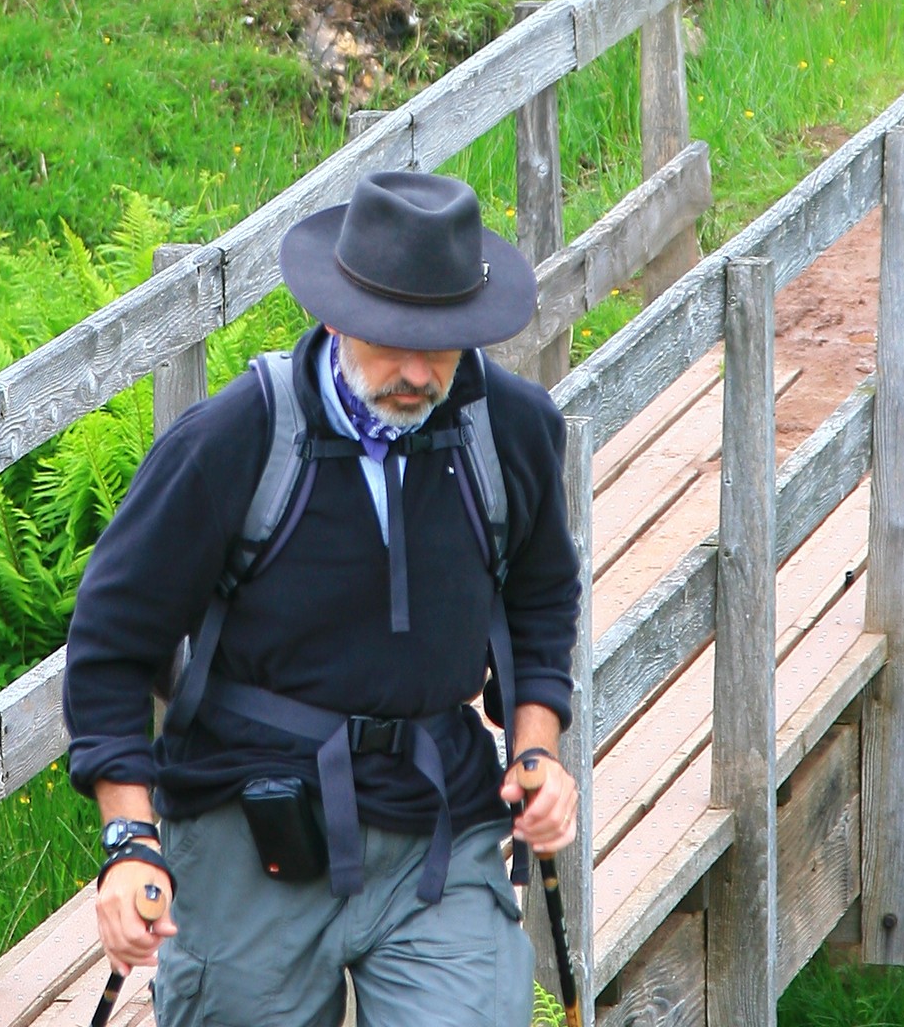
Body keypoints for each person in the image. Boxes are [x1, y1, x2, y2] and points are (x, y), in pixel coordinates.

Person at [63, 169, 584, 1027]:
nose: (418, 373)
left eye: (443, 343)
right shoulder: (237, 439)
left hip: (438, 832)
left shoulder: (511, 431)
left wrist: (537, 750)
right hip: (249, 827)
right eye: (392, 340)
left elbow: (541, 594)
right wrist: (131, 843)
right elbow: (112, 642)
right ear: (339, 315)